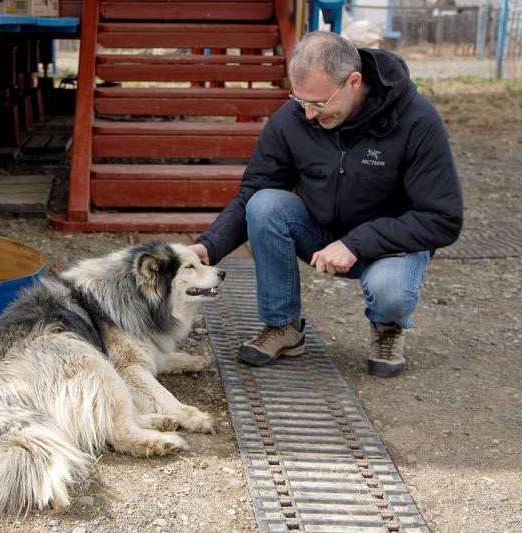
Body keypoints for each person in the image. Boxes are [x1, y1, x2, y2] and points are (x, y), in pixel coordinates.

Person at [190, 31, 463, 377]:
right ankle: (283, 327)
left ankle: (387, 327)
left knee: (390, 290)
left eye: (318, 103)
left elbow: (443, 218)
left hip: (389, 246)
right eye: (299, 99)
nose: (307, 114)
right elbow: (254, 191)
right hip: (321, 233)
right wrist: (209, 247)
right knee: (264, 205)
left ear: (353, 82)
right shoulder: (294, 118)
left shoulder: (417, 120)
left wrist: (355, 243)